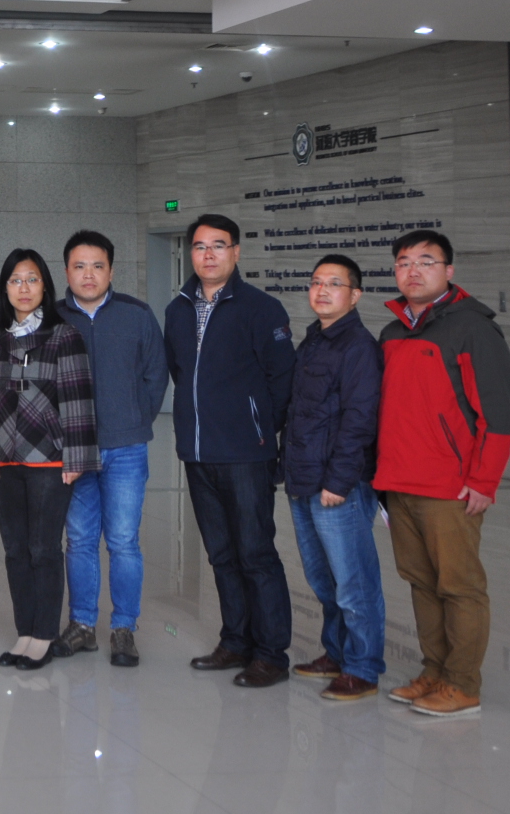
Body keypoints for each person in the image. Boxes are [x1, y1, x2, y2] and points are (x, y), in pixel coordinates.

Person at [375, 229, 510, 718]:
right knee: (421, 583)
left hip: (449, 487)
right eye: (403, 262)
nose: (412, 271)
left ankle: (462, 684)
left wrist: (484, 481)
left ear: (449, 271)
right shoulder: (393, 333)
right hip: (399, 483)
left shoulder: (473, 328)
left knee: (459, 586)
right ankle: (434, 672)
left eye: (425, 261)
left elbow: (498, 414)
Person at [165, 213, 296, 689]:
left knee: (255, 553)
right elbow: (182, 374)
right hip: (198, 453)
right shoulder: (178, 309)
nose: (209, 255)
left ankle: (271, 653)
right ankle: (236, 640)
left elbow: (283, 379)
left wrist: (259, 428)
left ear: (236, 252)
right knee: (220, 554)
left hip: (246, 453)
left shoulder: (262, 309)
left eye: (218, 245)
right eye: (200, 246)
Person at [56, 230, 168, 668]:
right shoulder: (54, 317)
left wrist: (135, 419)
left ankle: (123, 627)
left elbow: (156, 374)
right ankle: (82, 624)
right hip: (74, 449)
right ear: (67, 271)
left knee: (123, 541)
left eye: (97, 266)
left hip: (125, 448)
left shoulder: (136, 315)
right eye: (80, 266)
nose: (89, 275)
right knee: (80, 540)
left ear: (112, 271)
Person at [0, 248, 98, 670]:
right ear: (5, 288)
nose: (24, 288)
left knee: (43, 548)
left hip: (50, 458)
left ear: (45, 286)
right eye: (15, 280)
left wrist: (76, 457)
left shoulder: (64, 335)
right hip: (4, 457)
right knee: (15, 549)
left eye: (32, 279)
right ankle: (25, 632)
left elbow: (78, 398)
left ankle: (44, 635)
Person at [285, 254, 387, 702]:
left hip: (337, 485)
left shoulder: (358, 347)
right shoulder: (314, 339)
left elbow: (360, 420)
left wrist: (339, 482)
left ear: (355, 295)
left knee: (354, 581)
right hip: (304, 479)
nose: (322, 290)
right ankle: (337, 652)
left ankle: (363, 667)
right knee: (323, 578)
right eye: (316, 282)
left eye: (334, 283)